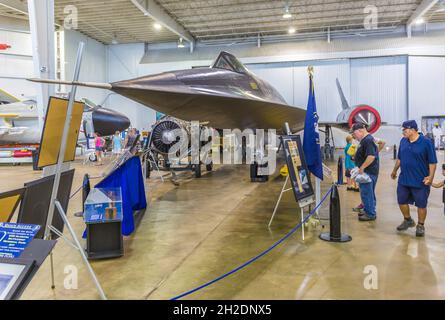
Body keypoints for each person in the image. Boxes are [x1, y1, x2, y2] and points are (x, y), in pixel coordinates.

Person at [391, 120, 437, 237]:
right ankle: (408, 220)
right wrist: (395, 170)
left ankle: (421, 225)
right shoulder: (403, 141)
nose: (403, 132)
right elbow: (400, 158)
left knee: (421, 204)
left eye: (404, 130)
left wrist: (430, 177)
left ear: (412, 130)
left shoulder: (426, 142)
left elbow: (432, 162)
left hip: (420, 180)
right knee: (401, 200)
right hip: (404, 179)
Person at [351, 123, 380, 221]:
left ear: (361, 130)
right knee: (368, 192)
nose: (354, 136)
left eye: (355, 134)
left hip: (368, 171)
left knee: (367, 193)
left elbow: (371, 156)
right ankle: (369, 209)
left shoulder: (367, 140)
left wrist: (362, 167)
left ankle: (370, 214)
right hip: (368, 170)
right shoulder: (365, 140)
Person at [352, 137, 385, 213]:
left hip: (369, 169)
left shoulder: (370, 139)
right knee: (364, 189)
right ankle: (365, 205)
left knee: (368, 190)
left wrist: (376, 153)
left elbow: (383, 142)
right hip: (363, 166)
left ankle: (369, 209)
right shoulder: (362, 140)